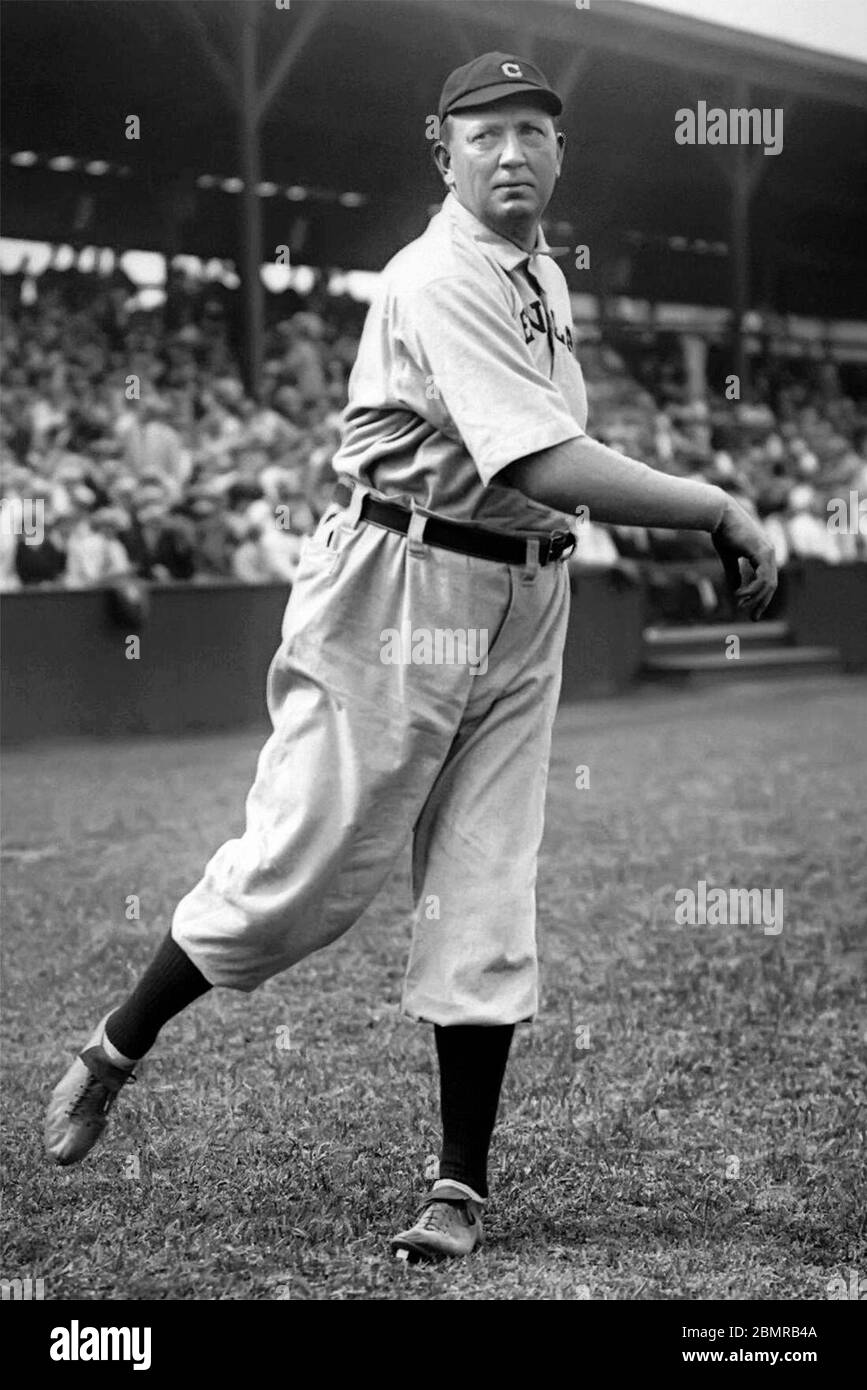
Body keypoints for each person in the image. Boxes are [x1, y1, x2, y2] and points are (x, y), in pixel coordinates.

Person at [44, 53, 776, 1264]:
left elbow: (549, 476)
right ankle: (113, 1048)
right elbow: (537, 463)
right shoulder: (434, 274)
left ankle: (456, 1189)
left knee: (490, 881)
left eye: (534, 131)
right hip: (401, 578)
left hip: (522, 589)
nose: (511, 153)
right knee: (301, 868)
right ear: (441, 149)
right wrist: (714, 505)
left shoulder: (536, 267)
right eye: (483, 133)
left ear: (558, 152)